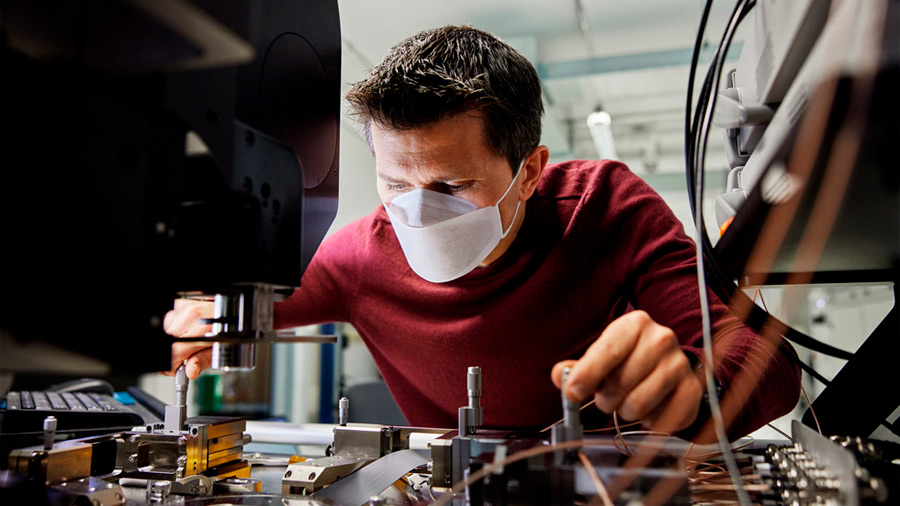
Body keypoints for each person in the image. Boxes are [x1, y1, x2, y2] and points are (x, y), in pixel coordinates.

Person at [165, 25, 800, 442]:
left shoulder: (603, 208)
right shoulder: (358, 257)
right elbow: (231, 307)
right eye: (394, 184)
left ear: (529, 173)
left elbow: (770, 364)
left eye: (450, 187)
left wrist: (692, 390)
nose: (414, 213)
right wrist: (194, 316)